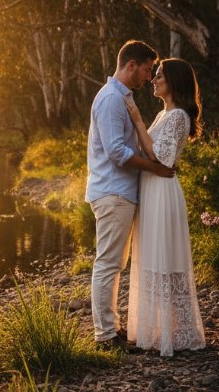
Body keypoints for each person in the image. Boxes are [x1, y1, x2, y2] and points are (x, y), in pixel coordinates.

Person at [87, 40, 175, 350]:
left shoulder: (121, 97)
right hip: (112, 192)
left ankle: (111, 329)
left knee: (114, 263)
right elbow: (115, 152)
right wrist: (153, 167)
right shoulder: (112, 98)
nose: (150, 77)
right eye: (148, 70)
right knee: (108, 263)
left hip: (119, 192)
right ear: (131, 65)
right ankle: (105, 336)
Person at [124, 58, 206, 356]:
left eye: (159, 76)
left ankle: (176, 334)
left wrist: (136, 119)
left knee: (164, 258)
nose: (153, 80)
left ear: (174, 81)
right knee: (149, 257)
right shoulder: (163, 115)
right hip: (150, 189)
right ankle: (154, 329)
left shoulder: (180, 116)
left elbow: (161, 158)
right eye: (154, 75)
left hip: (163, 191)